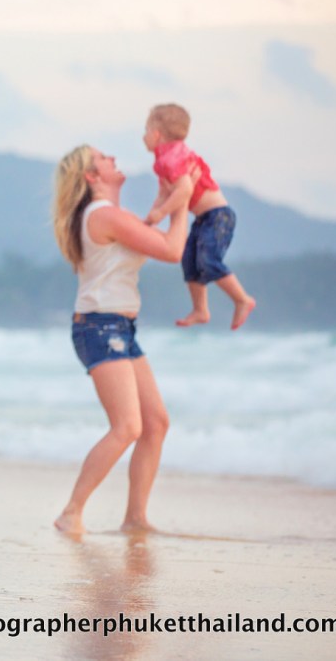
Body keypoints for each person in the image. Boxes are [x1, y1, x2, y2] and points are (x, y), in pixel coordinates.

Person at [51, 145, 191, 536]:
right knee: (127, 426)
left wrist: (170, 197)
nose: (112, 157)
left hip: (120, 328)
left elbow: (154, 234)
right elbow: (171, 249)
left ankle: (135, 518)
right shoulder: (104, 215)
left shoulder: (113, 216)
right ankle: (71, 512)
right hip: (100, 327)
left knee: (155, 422)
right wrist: (182, 201)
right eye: (102, 158)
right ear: (91, 177)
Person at [142, 103, 256, 330]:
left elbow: (184, 190)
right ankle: (201, 309)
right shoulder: (163, 160)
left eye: (145, 131)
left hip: (217, 216)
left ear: (156, 134)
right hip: (204, 219)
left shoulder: (173, 157)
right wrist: (150, 220)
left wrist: (161, 213)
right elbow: (165, 193)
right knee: (189, 261)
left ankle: (242, 299)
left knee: (208, 261)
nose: (143, 137)